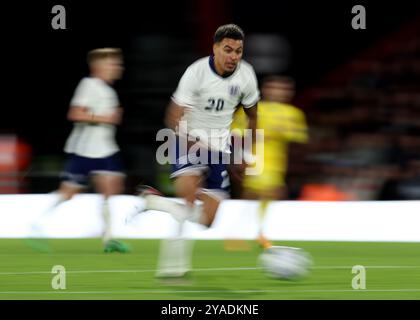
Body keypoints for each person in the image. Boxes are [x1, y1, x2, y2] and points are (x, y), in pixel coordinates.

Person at [135, 24, 259, 277]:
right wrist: (190, 141)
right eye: (228, 50)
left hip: (220, 149)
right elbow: (173, 115)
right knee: (189, 199)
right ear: (215, 48)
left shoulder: (246, 75)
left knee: (207, 220)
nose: (233, 56)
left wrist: (245, 153)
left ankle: (155, 202)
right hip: (186, 140)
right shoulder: (196, 72)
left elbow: (253, 116)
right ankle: (174, 268)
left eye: (238, 51)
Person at [29, 48, 129, 253]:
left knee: (112, 188)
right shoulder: (89, 84)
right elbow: (75, 113)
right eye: (113, 64)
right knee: (68, 193)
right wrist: (105, 118)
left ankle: (109, 238)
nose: (118, 67)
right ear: (99, 67)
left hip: (105, 150)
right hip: (86, 151)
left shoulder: (107, 90)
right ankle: (36, 225)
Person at [233, 75, 309, 249]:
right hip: (254, 159)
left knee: (261, 196)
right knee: (267, 192)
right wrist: (239, 158)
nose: (279, 92)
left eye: (283, 89)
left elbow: (298, 140)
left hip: (277, 163)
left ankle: (247, 231)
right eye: (275, 88)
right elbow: (236, 133)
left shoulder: (294, 114)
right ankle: (252, 232)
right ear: (266, 90)